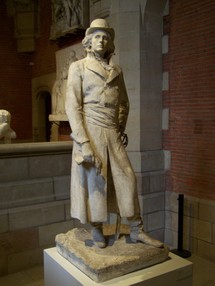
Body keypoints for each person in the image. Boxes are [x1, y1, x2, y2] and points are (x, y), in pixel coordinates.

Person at [65, 18, 163, 248]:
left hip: (112, 132)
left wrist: (119, 126)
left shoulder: (116, 70)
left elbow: (123, 103)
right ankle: (97, 229)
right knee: (96, 181)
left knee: (127, 177)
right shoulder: (78, 67)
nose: (102, 40)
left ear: (110, 43)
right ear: (88, 41)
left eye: (105, 37)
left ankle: (137, 229)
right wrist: (83, 142)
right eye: (97, 36)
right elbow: (72, 106)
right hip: (90, 130)